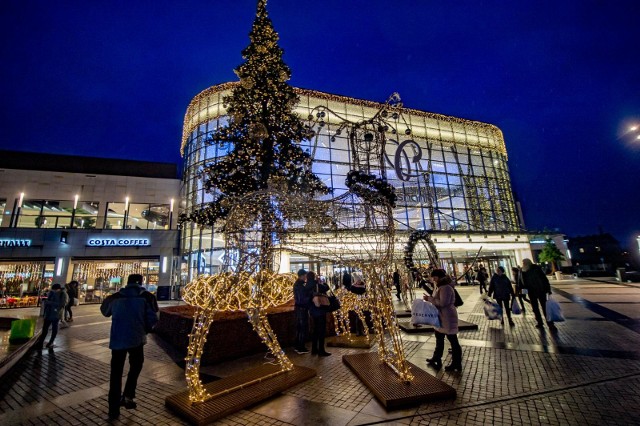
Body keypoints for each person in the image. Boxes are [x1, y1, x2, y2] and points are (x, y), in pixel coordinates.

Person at [100, 274, 159, 420]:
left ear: (128, 283)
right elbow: (153, 318)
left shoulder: (115, 296)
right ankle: (128, 394)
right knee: (136, 365)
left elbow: (105, 312)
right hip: (136, 339)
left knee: (116, 373)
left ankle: (113, 409)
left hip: (118, 340)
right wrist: (144, 329)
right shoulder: (147, 297)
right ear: (141, 282)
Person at [424, 269, 462, 372]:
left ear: (440, 277)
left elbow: (443, 303)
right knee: (439, 338)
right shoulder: (440, 286)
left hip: (447, 317)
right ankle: (436, 357)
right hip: (441, 316)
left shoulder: (445, 287)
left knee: (453, 340)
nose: (433, 280)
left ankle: (456, 363)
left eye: (435, 278)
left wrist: (429, 299)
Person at [520, 258, 556, 331]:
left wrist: (548, 289)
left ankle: (550, 323)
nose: (523, 264)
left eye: (524, 262)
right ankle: (539, 322)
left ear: (528, 263)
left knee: (545, 307)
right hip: (531, 292)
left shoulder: (536, 268)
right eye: (523, 262)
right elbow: (521, 283)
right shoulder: (522, 270)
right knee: (535, 308)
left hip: (540, 290)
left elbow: (544, 279)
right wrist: (524, 294)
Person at [35, 283, 65, 350]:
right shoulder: (51, 293)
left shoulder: (62, 294)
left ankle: (50, 341)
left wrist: (49, 302)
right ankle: (41, 342)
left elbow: (61, 304)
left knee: (53, 329)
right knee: (45, 328)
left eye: (54, 290)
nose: (53, 291)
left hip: (55, 314)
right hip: (49, 314)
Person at [308, 271, 331, 357]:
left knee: (315, 330)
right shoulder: (317, 285)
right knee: (321, 331)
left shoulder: (306, 286)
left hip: (312, 311)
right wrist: (322, 281)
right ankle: (321, 350)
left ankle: (314, 349)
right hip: (320, 310)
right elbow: (327, 288)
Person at [293, 268, 314, 354]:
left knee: (299, 328)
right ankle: (300, 347)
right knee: (302, 328)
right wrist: (310, 297)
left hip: (299, 309)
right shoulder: (300, 286)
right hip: (302, 309)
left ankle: (297, 346)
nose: (306, 277)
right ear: (301, 276)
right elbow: (302, 299)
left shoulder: (298, 285)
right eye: (305, 276)